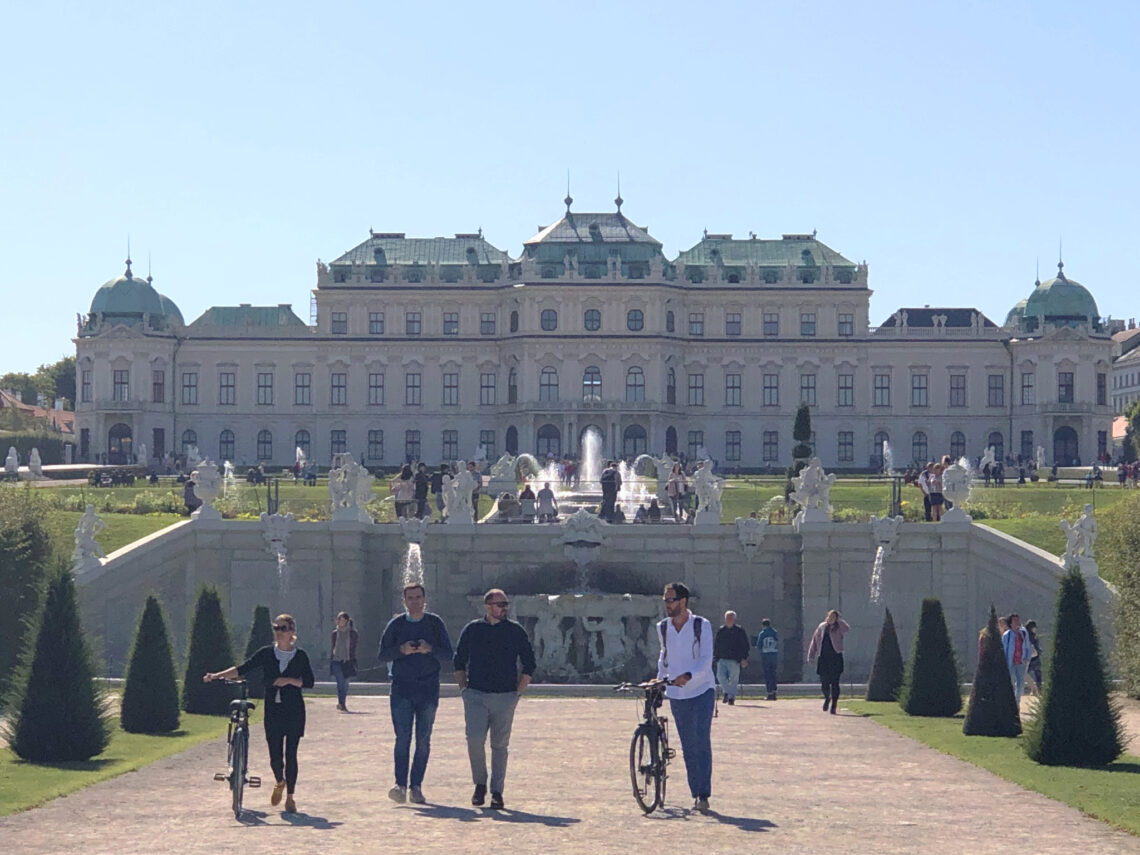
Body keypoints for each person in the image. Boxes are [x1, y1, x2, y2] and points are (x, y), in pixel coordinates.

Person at [204, 613, 315, 814]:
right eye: (276, 628)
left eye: (282, 628)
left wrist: (289, 680)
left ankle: (290, 797)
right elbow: (243, 668)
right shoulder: (266, 653)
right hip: (274, 709)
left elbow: (309, 682)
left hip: (294, 710)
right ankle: (279, 781)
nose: (278, 632)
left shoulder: (300, 656)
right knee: (274, 754)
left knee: (291, 753)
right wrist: (217, 675)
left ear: (291, 633)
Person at [453, 588, 536, 810]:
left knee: (500, 745)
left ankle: (497, 791)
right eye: (500, 604)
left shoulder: (515, 631)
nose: (505, 608)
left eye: (506, 604)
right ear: (487, 606)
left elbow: (529, 663)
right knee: (474, 740)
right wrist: (464, 690)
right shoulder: (472, 629)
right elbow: (459, 660)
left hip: (505, 696)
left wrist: (517, 693)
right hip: (476, 695)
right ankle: (480, 784)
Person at [378, 583, 454, 804]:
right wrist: (401, 651)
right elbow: (382, 655)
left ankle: (416, 786)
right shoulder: (396, 625)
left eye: (418, 597)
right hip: (402, 688)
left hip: (428, 689)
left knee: (423, 740)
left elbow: (448, 654)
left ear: (424, 599)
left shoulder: (434, 623)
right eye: (410, 598)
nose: (415, 601)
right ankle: (400, 784)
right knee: (402, 738)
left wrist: (429, 649)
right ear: (404, 601)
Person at [657, 582, 716, 811]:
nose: (667, 605)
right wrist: (660, 678)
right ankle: (695, 792)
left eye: (671, 600)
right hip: (677, 693)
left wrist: (689, 675)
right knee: (688, 744)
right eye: (665, 600)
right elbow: (664, 656)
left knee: (701, 738)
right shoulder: (662, 627)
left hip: (702, 690)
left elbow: (706, 658)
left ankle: (704, 793)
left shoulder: (701, 625)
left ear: (683, 601)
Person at [807, 609, 849, 714]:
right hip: (824, 658)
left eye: (834, 617)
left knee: (835, 682)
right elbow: (814, 641)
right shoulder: (821, 627)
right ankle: (827, 698)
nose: (831, 619)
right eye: (830, 616)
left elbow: (847, 628)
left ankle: (834, 704)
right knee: (824, 682)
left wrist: (838, 621)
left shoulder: (839, 627)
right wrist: (811, 656)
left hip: (836, 657)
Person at [713, 611, 749, 705]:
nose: (729, 620)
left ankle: (731, 698)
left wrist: (744, 658)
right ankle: (727, 692)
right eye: (727, 618)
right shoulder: (721, 630)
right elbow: (716, 644)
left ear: (734, 619)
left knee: (734, 679)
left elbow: (745, 645)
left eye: (731, 618)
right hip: (722, 658)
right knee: (720, 677)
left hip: (735, 659)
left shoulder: (739, 631)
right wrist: (715, 657)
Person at [329, 611, 359, 712]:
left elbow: (353, 647)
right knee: (340, 682)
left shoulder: (352, 633)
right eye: (339, 620)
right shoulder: (334, 633)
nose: (341, 622)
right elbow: (333, 647)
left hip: (348, 661)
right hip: (336, 660)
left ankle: (342, 702)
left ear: (346, 621)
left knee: (346, 684)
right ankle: (341, 703)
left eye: (343, 620)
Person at [1002, 613, 1032, 705]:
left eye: (1018, 620)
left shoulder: (1023, 633)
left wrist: (1027, 657)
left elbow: (1027, 646)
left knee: (1021, 683)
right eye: (1015, 620)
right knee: (1011, 683)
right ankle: (1010, 702)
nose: (1017, 622)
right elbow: (1004, 649)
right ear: (1010, 623)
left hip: (1021, 662)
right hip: (1010, 662)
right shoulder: (1007, 635)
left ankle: (1017, 702)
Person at [756, 618, 780, 700]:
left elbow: (759, 645)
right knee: (774, 674)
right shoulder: (774, 632)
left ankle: (769, 693)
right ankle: (774, 692)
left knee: (768, 675)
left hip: (766, 656)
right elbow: (777, 641)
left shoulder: (762, 633)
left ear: (763, 625)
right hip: (774, 655)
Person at [1024, 619, 1043, 695]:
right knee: (1037, 673)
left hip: (1027, 657)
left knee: (1025, 674)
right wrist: (1039, 651)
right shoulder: (1032, 635)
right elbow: (1035, 646)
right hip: (1034, 657)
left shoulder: (1024, 634)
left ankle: (1033, 689)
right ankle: (1038, 689)